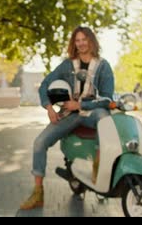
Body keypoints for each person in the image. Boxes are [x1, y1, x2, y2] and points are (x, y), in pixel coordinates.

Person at [20, 26, 114, 210]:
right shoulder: (67, 65)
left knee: (105, 120)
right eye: (77, 40)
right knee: (39, 142)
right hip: (70, 114)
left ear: (92, 41)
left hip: (92, 112)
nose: (81, 43)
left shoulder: (103, 66)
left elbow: (107, 98)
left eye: (84, 39)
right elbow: (45, 84)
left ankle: (99, 173)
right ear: (74, 43)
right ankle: (38, 192)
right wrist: (49, 108)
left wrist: (81, 105)